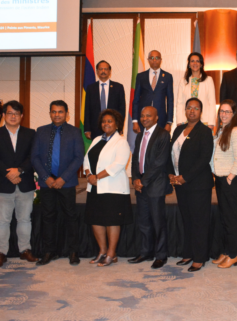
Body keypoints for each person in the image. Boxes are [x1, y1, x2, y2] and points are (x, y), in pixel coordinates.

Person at [31, 100, 84, 266]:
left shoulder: (75, 132)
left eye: (60, 112)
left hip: (66, 182)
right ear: (50, 113)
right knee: (48, 217)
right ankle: (49, 251)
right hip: (47, 182)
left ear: (67, 114)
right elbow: (34, 157)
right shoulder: (41, 131)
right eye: (54, 111)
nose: (57, 114)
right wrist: (46, 177)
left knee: (70, 217)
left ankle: (73, 252)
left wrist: (63, 178)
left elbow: (78, 157)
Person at [0, 100, 38, 268]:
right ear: (4, 115)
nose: (13, 116)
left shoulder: (30, 134)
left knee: (25, 219)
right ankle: (1, 253)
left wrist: (19, 170)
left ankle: (25, 250)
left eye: (16, 113)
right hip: (3, 183)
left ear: (22, 116)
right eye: (10, 113)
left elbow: (33, 156)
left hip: (25, 183)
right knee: (2, 221)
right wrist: (9, 173)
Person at [168, 98, 214, 272]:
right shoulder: (178, 129)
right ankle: (188, 253)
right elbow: (171, 153)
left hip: (198, 185)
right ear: (185, 110)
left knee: (199, 222)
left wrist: (185, 177)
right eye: (189, 108)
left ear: (201, 111)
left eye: (196, 108)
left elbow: (204, 159)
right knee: (186, 220)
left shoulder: (205, 131)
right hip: (180, 184)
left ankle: (200, 257)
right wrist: (171, 174)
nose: (192, 111)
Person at [83, 109, 132, 267]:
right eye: (104, 121)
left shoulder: (121, 142)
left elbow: (118, 165)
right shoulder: (97, 139)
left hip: (113, 188)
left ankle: (112, 253)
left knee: (112, 221)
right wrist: (89, 175)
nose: (106, 123)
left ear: (117, 124)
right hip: (94, 188)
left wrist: (96, 177)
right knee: (96, 220)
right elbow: (86, 160)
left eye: (110, 121)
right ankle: (102, 251)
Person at [129, 107, 172, 269]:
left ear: (156, 118)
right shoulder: (140, 135)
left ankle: (161, 256)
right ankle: (145, 252)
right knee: (144, 222)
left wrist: (143, 181)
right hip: (141, 185)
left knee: (158, 222)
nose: (144, 118)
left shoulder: (163, 135)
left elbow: (159, 163)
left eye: (148, 116)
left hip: (155, 185)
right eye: (142, 116)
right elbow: (135, 159)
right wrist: (135, 179)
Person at [211, 99, 237, 269]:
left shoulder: (236, 131)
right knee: (224, 218)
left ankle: (234, 254)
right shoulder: (220, 130)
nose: (223, 114)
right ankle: (226, 251)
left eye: (227, 112)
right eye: (222, 111)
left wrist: (230, 177)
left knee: (231, 218)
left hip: (229, 180)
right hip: (220, 179)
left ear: (234, 114)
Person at [132, 50, 174, 133]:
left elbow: (170, 101)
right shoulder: (140, 76)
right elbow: (136, 100)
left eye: (157, 58)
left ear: (161, 60)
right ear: (148, 60)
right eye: (152, 58)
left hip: (161, 120)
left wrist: (169, 122)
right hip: (143, 120)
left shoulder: (168, 77)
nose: (154, 60)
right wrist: (135, 121)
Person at [84, 60, 126, 140]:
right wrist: (87, 129)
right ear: (97, 71)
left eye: (106, 69)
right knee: (98, 148)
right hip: (95, 128)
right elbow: (87, 110)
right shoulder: (91, 88)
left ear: (110, 71)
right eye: (101, 69)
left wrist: (120, 127)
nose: (103, 71)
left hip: (113, 127)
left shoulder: (118, 87)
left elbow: (122, 109)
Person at [176, 53, 216, 128]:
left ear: (201, 64)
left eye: (197, 61)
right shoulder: (183, 81)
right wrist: (179, 121)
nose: (195, 63)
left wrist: (211, 123)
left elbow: (212, 103)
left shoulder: (208, 80)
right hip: (186, 121)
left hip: (204, 121)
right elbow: (180, 103)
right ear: (189, 64)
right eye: (192, 61)